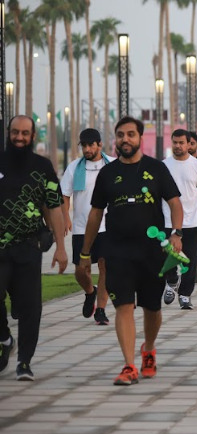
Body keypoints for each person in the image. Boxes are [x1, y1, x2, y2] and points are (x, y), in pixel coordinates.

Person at [82, 116, 184, 385]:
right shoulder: (107, 173)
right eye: (120, 135)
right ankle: (128, 365)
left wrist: (177, 233)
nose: (125, 139)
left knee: (152, 309)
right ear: (114, 139)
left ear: (140, 138)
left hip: (152, 253)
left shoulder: (157, 169)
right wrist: (85, 252)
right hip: (117, 251)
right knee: (123, 306)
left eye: (130, 134)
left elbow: (174, 203)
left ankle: (148, 348)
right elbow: (95, 214)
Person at [0, 115, 68, 380]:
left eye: (24, 133)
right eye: (15, 132)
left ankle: (25, 362)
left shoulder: (42, 166)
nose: (19, 137)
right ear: (9, 133)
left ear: (32, 136)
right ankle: (5, 338)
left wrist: (61, 248)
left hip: (28, 247)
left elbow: (54, 206)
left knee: (30, 308)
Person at [60, 128, 114, 325]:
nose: (87, 149)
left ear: (100, 145)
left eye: (91, 145)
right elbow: (64, 195)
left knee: (105, 267)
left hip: (107, 227)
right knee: (81, 271)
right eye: (84, 145)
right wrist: (66, 216)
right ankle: (89, 293)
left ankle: (100, 310)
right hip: (82, 228)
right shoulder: (74, 167)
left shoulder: (113, 165)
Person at [162, 129, 197, 310]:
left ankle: (185, 295)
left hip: (192, 221)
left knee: (191, 261)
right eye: (175, 142)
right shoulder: (163, 166)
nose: (178, 146)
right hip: (167, 221)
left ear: (189, 144)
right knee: (167, 257)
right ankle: (171, 282)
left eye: (181, 143)